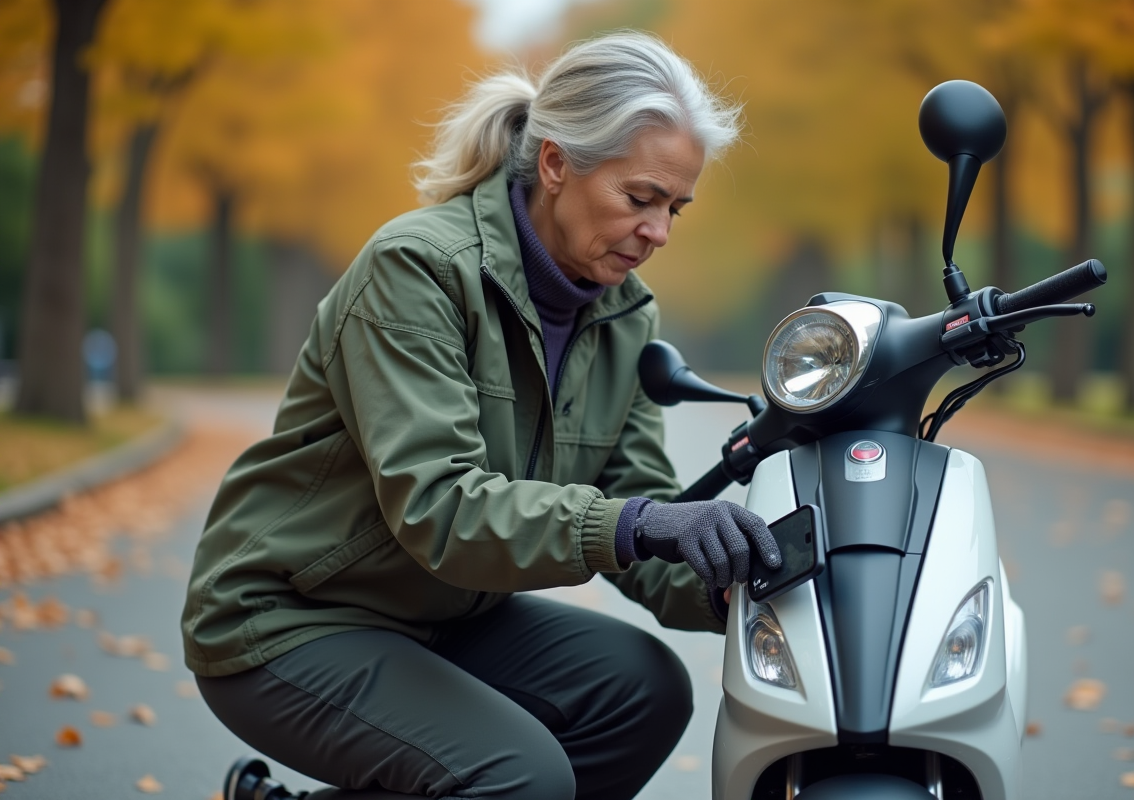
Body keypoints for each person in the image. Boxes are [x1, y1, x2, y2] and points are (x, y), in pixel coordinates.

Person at [183, 31, 781, 800]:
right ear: (557, 164)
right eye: (639, 199)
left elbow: (639, 501)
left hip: (442, 613)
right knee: (519, 778)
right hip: (290, 617)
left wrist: (733, 585)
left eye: (675, 206)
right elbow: (439, 510)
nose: (658, 231)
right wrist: (643, 522)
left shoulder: (625, 313)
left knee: (645, 692)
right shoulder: (418, 271)